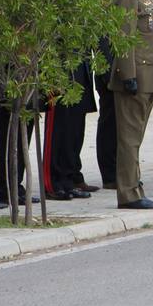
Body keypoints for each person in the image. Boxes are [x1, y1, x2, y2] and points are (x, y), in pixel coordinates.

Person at [109, 0, 153, 209]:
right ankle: (128, 193)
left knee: (136, 138)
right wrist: (127, 74)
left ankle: (136, 188)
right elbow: (123, 35)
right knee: (129, 139)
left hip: (148, 75)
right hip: (136, 76)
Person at [44, 58, 97, 200]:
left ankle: (69, 177)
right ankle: (53, 183)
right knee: (58, 129)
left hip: (79, 63)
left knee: (75, 128)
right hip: (59, 68)